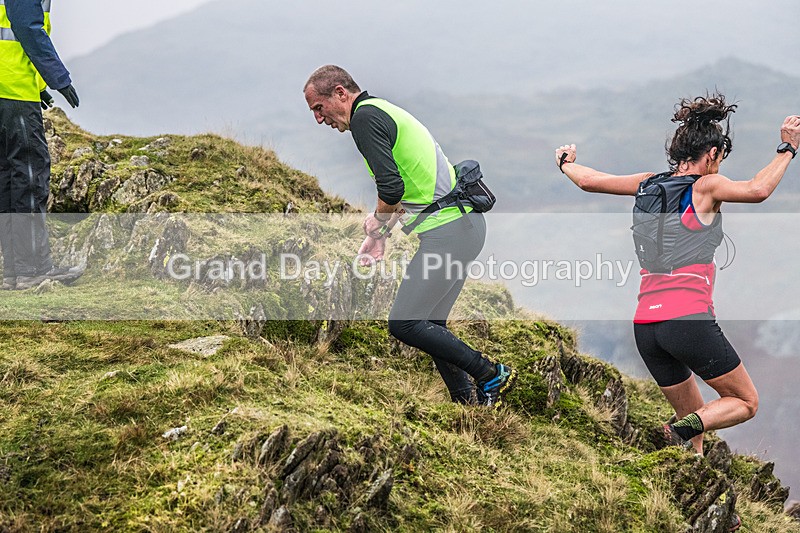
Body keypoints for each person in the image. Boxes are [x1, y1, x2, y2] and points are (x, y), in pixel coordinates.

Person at [556, 94, 800, 458]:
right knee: (745, 401)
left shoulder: (647, 183)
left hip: (646, 326)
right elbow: (758, 189)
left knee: (694, 431)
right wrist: (787, 149)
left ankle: (693, 481)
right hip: (687, 319)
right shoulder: (705, 187)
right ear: (713, 154)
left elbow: (589, 181)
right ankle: (678, 429)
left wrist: (565, 164)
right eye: (720, 159)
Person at [303, 65, 516, 407]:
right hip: (464, 227)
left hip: (450, 233)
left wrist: (376, 222)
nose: (318, 119)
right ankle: (468, 403)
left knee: (404, 323)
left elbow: (391, 187)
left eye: (318, 107)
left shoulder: (364, 119)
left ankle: (490, 373)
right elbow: (404, 186)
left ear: (341, 93)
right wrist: (381, 235)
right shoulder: (381, 110)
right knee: (431, 322)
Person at [0, 0, 83, 291]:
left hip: (7, 90)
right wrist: (58, 78)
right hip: (13, 92)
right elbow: (26, 27)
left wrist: (39, 88)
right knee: (29, 177)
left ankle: (15, 271)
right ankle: (33, 268)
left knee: (9, 181)